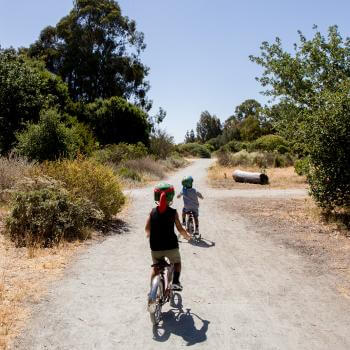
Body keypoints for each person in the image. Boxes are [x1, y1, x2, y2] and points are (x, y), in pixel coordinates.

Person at [145, 182, 191, 291]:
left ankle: (152, 293)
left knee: (156, 269)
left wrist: (149, 234)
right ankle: (175, 282)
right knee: (177, 263)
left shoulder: (151, 212)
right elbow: (180, 229)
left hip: (155, 247)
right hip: (171, 246)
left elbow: (147, 229)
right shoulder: (173, 213)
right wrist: (187, 236)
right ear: (171, 196)